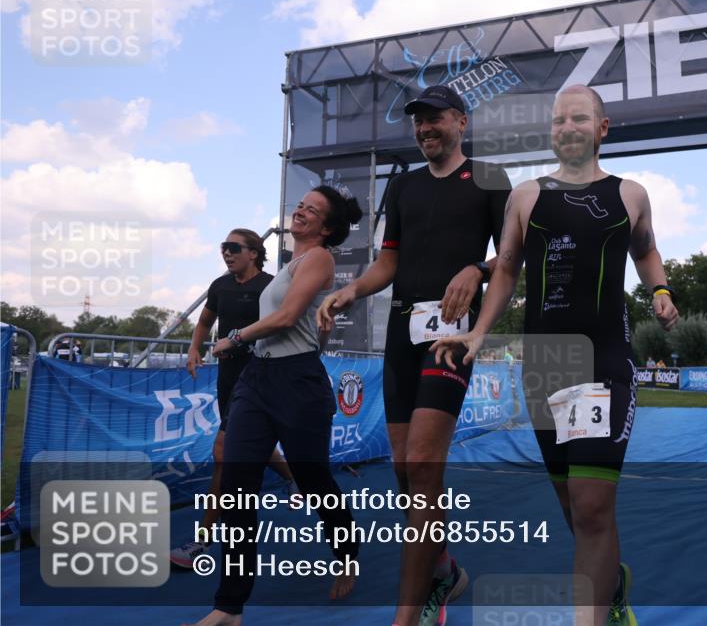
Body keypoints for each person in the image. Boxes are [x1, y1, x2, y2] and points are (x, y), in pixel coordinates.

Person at [431, 85, 679, 626]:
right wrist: (478, 334)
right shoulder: (526, 196)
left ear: (602, 129)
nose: (566, 127)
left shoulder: (630, 194)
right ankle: (611, 584)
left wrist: (660, 289)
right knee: (574, 507)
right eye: (558, 120)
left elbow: (646, 249)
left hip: (602, 362)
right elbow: (507, 270)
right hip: (545, 365)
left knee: (592, 508)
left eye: (578, 118)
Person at [317, 85, 510, 626]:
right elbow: (388, 261)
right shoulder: (402, 187)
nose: (424, 128)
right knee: (405, 470)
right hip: (401, 337)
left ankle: (412, 609)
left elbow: (512, 257)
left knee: (423, 466)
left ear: (461, 123)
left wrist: (477, 269)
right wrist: (351, 290)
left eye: (434, 119)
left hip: (451, 337)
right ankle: (444, 567)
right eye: (417, 122)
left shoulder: (490, 180)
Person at [183, 187, 363, 626]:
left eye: (313, 210)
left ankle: (346, 549)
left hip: (297, 382)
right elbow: (303, 324)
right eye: (301, 204)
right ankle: (229, 607)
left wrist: (235, 337)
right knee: (236, 487)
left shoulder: (319, 258)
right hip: (256, 380)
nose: (301, 211)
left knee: (312, 477)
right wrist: (318, 326)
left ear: (327, 228)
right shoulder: (287, 267)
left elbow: (283, 321)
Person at [170, 229, 295, 569]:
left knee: (224, 453)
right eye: (222, 248)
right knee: (248, 444)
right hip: (228, 378)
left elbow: (284, 323)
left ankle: (202, 542)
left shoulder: (271, 286)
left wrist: (244, 342)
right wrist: (195, 349)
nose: (226, 253)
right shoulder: (220, 286)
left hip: (259, 376)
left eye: (233, 248)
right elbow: (205, 321)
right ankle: (292, 478)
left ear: (253, 253)